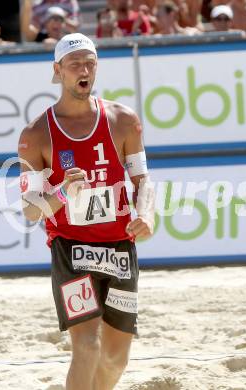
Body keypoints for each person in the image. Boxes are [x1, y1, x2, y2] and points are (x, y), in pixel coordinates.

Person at [18, 33, 155, 389]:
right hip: (71, 248)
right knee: (87, 345)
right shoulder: (36, 135)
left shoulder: (124, 120)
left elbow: (144, 183)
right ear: (58, 71)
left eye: (90, 63)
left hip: (119, 247)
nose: (84, 70)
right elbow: (31, 211)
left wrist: (147, 215)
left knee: (114, 358)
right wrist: (62, 193)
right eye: (75, 64)